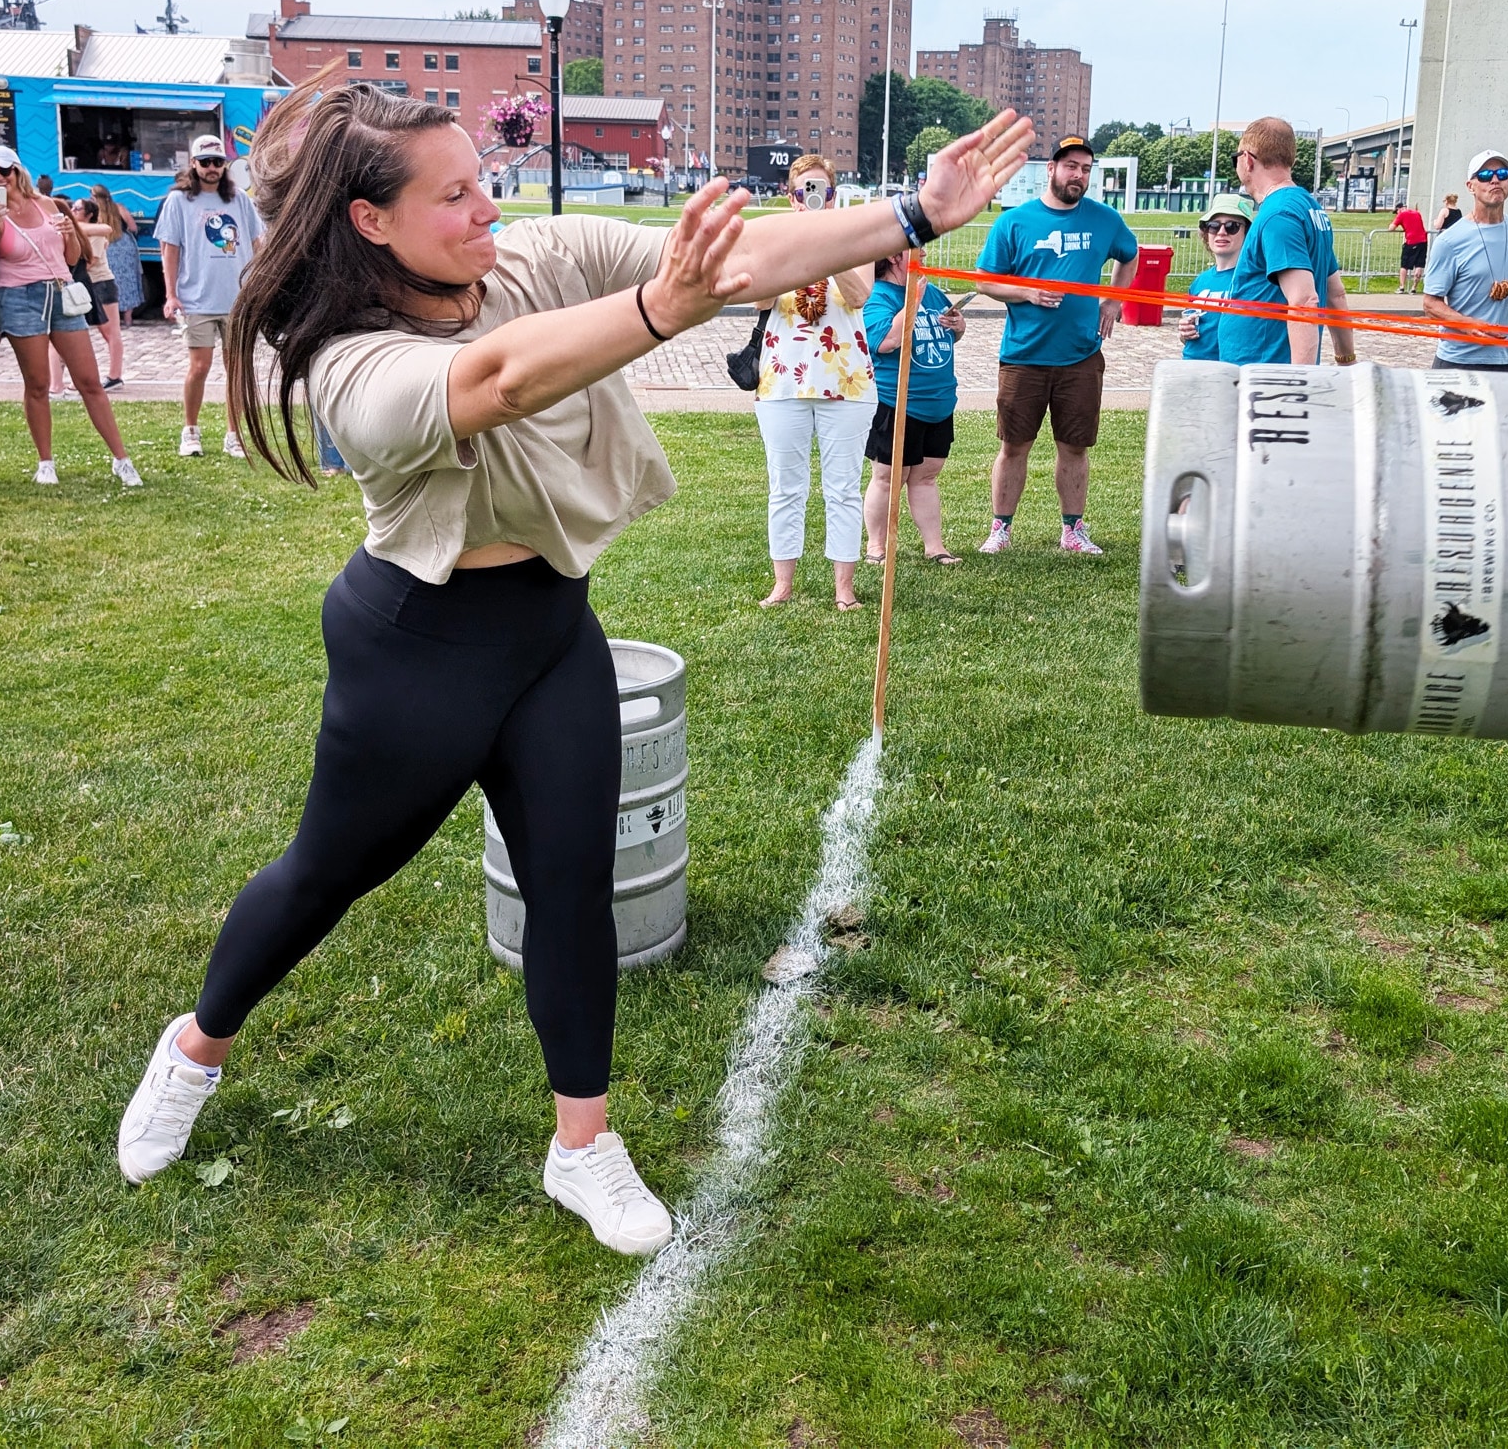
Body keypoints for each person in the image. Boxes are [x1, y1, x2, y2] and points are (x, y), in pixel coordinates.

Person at [112, 78, 1032, 1255]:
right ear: (368, 221)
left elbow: (736, 257)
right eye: (453, 194)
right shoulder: (343, 358)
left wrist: (908, 213)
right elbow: (493, 382)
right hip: (416, 647)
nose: (484, 205)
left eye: (481, 178)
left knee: (572, 882)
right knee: (323, 873)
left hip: (551, 631)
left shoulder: (531, 254)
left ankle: (581, 1143)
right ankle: (195, 1049)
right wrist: (658, 307)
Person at [973, 134, 1137, 556]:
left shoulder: (1104, 219)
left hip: (1081, 355)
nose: (1078, 175)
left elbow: (1129, 254)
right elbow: (985, 280)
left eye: (1086, 169)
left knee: (1075, 446)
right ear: (1051, 169)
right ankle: (1000, 529)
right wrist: (1026, 294)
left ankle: (1073, 530)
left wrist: (1113, 300)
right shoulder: (1014, 222)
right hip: (1023, 356)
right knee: (1013, 446)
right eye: (1071, 167)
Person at [0, 144, 140, 487]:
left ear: (18, 171)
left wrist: (68, 235)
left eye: (4, 171)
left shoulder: (47, 204)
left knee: (90, 382)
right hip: (19, 298)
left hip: (61, 294)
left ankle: (121, 459)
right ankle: (45, 462)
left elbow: (73, 258)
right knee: (38, 385)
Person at [754, 153, 873, 611]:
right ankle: (783, 582)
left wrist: (828, 245)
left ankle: (844, 586)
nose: (813, 195)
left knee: (842, 487)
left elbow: (860, 295)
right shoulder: (775, 239)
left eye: (821, 188)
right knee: (785, 484)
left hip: (846, 381)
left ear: (834, 194)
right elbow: (762, 300)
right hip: (784, 377)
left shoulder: (855, 242)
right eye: (805, 189)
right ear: (791, 196)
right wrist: (795, 244)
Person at [1218, 116, 1356, 369]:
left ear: (1247, 159)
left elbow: (1304, 301)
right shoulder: (1310, 208)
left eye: (1235, 158)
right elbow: (1336, 293)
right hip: (1265, 372)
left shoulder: (1278, 215)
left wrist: (1299, 385)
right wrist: (1346, 361)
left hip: (1265, 375)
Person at [158, 133, 264, 458]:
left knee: (237, 370)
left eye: (218, 162)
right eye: (205, 162)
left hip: (238, 299)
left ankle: (234, 434)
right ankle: (190, 430)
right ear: (193, 164)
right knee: (199, 366)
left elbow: (258, 241)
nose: (212, 168)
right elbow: (170, 249)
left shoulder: (239, 200)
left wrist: (261, 282)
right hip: (198, 299)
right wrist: (171, 294)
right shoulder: (179, 201)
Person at [863, 250, 965, 563]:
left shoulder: (930, 291)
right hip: (897, 403)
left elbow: (950, 335)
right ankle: (876, 547)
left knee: (926, 477)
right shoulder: (877, 297)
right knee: (888, 477)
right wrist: (913, 300)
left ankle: (935, 547)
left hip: (939, 402)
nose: (925, 254)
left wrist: (957, 325)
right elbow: (886, 341)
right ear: (895, 256)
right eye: (918, 250)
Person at [1421, 148, 1508, 372]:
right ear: (1471, 186)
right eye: (1485, 176)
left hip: (1506, 358)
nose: (1495, 180)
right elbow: (1430, 304)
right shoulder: (1450, 241)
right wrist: (1468, 325)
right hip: (1459, 360)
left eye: (1502, 174)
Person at [1178, 193, 1253, 361]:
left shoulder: (1254, 281)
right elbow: (1189, 336)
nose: (1221, 232)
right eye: (1213, 226)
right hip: (1193, 368)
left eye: (1232, 226)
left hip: (1229, 372)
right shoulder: (1200, 281)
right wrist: (1184, 331)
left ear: (1247, 232)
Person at [65, 197, 123, 387]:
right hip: (87, 283)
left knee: (110, 332)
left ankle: (115, 375)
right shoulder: (75, 230)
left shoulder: (96, 233)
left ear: (89, 215)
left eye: (78, 208)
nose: (73, 210)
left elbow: (92, 261)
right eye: (73, 207)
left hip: (101, 283)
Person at [90, 184, 145, 330]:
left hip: (106, 247)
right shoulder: (119, 207)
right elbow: (133, 227)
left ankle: (108, 320)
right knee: (128, 282)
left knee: (106, 282)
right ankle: (128, 319)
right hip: (124, 246)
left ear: (95, 197)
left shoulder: (94, 212)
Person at [1392, 198, 1428, 293]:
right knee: (1419, 265)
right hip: (1423, 241)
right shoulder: (1417, 213)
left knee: (1404, 265)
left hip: (1411, 241)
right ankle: (1414, 288)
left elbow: (1391, 228)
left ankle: (1402, 287)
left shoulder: (1401, 215)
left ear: (1399, 209)